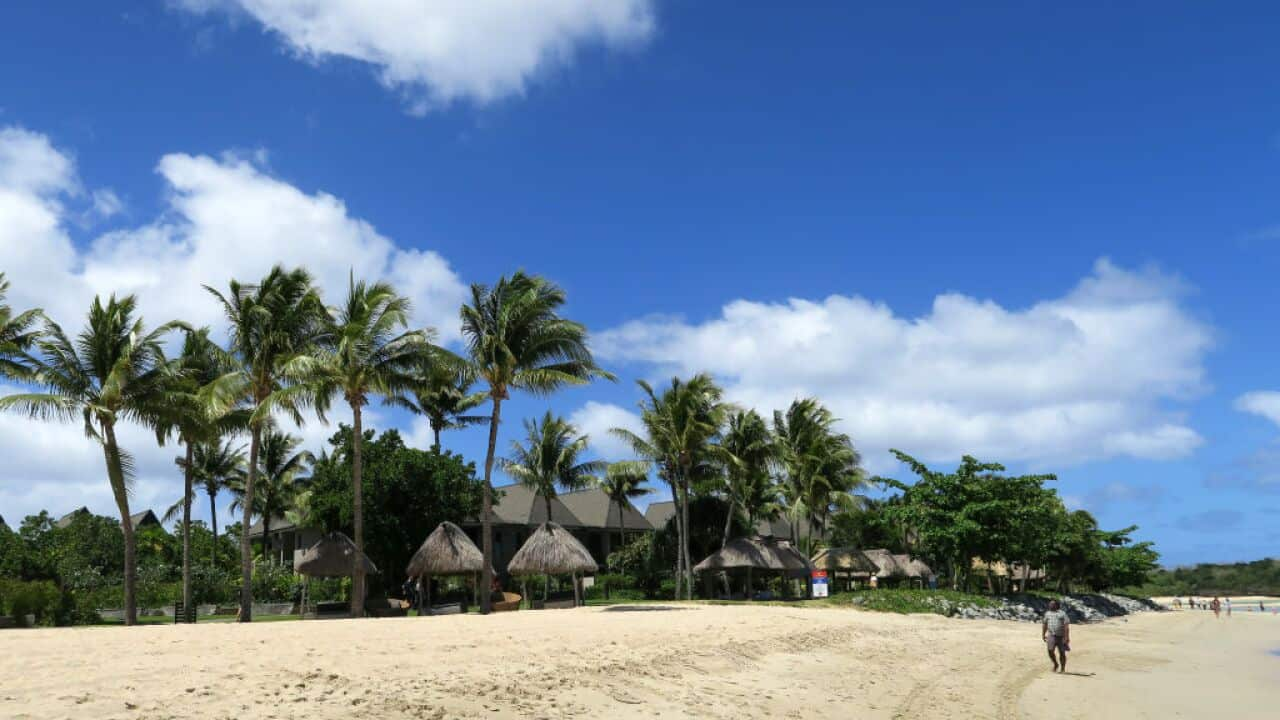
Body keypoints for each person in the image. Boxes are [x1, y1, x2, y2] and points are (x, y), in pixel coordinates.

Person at [1042, 600, 1071, 673]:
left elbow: (1066, 626)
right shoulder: (1047, 614)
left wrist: (1066, 637)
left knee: (1062, 652)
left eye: (1052, 604)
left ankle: (1063, 668)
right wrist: (1043, 634)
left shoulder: (1062, 614)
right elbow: (1045, 624)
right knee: (1050, 650)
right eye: (1050, 604)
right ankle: (1055, 664)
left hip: (1061, 636)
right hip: (1051, 635)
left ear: (1056, 605)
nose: (1050, 605)